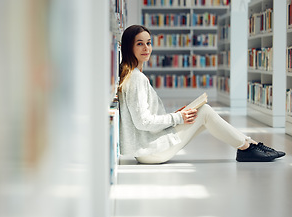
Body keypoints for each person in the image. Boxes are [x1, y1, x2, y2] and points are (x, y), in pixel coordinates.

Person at [117, 25, 285, 164]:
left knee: (202, 113)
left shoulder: (133, 75)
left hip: (149, 148)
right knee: (204, 111)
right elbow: (143, 122)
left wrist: (177, 115)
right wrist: (178, 118)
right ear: (129, 47)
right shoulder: (136, 79)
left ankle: (248, 145)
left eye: (149, 42)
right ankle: (248, 147)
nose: (146, 48)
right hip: (151, 151)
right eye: (140, 44)